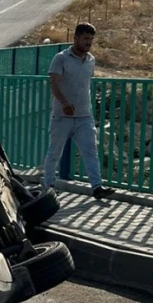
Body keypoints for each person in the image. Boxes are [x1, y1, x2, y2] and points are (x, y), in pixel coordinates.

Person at [42, 23, 114, 199]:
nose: (88, 42)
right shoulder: (61, 58)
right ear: (75, 38)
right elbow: (54, 83)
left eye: (91, 39)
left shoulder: (91, 60)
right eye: (85, 39)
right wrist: (65, 103)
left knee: (90, 151)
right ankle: (48, 187)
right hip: (62, 116)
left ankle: (97, 187)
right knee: (54, 153)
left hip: (84, 116)